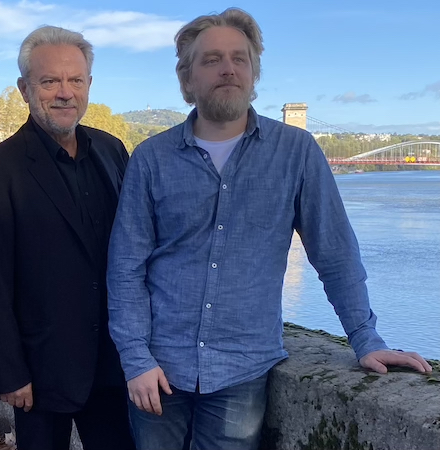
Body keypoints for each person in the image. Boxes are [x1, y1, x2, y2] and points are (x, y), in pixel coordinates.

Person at [107, 8, 432, 450]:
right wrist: (135, 358)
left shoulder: (297, 151)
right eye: (212, 59)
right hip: (158, 369)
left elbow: (334, 252)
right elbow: (126, 267)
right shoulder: (150, 158)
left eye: (240, 59)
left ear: (254, 73)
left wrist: (364, 338)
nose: (228, 69)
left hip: (242, 370)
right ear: (187, 80)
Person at [0, 26, 135, 450]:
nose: (64, 92)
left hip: (113, 365)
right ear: (24, 89)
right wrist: (9, 370)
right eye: (49, 81)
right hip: (39, 373)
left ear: (89, 85)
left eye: (75, 80)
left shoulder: (112, 152)